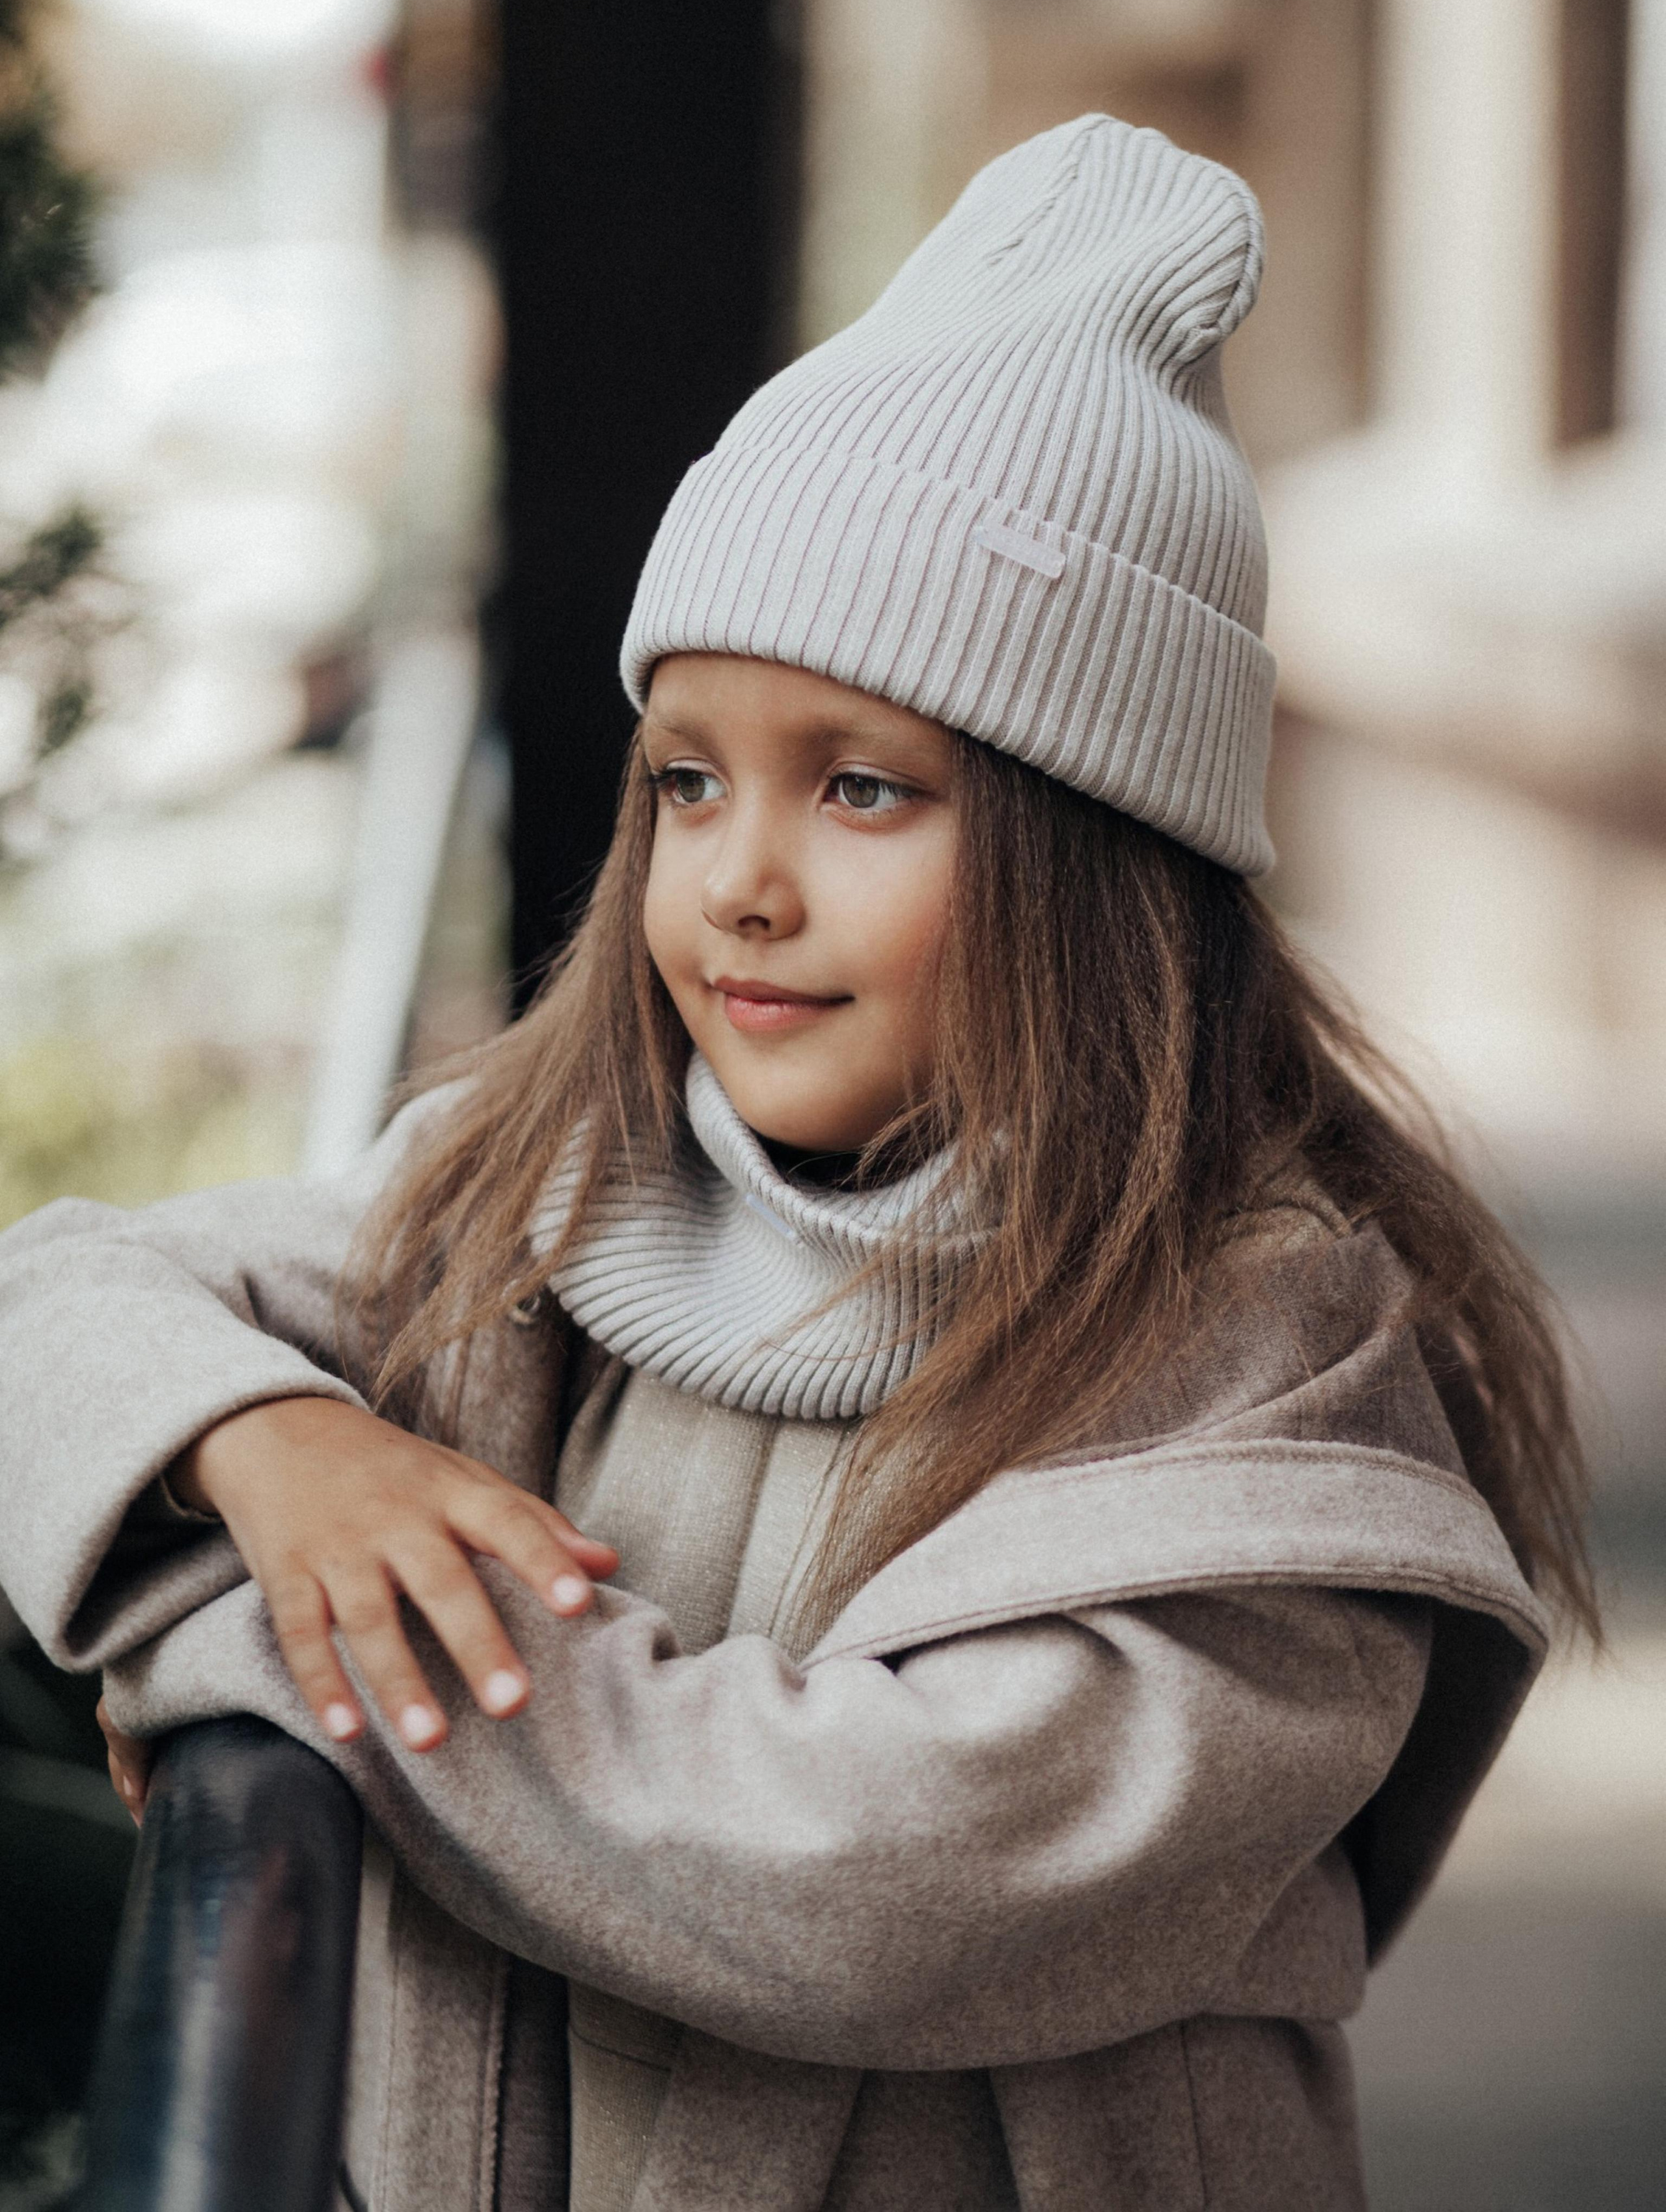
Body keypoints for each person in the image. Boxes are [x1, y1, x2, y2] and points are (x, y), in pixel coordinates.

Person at [0, 116, 1594, 2211]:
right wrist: (272, 1454)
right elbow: (55, 1290)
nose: (738, 884)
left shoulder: (1256, 1368)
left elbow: (855, 1873)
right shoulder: (548, 1191)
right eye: (686, 779)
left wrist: (239, 1629)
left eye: (862, 789)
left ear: (1097, 851)